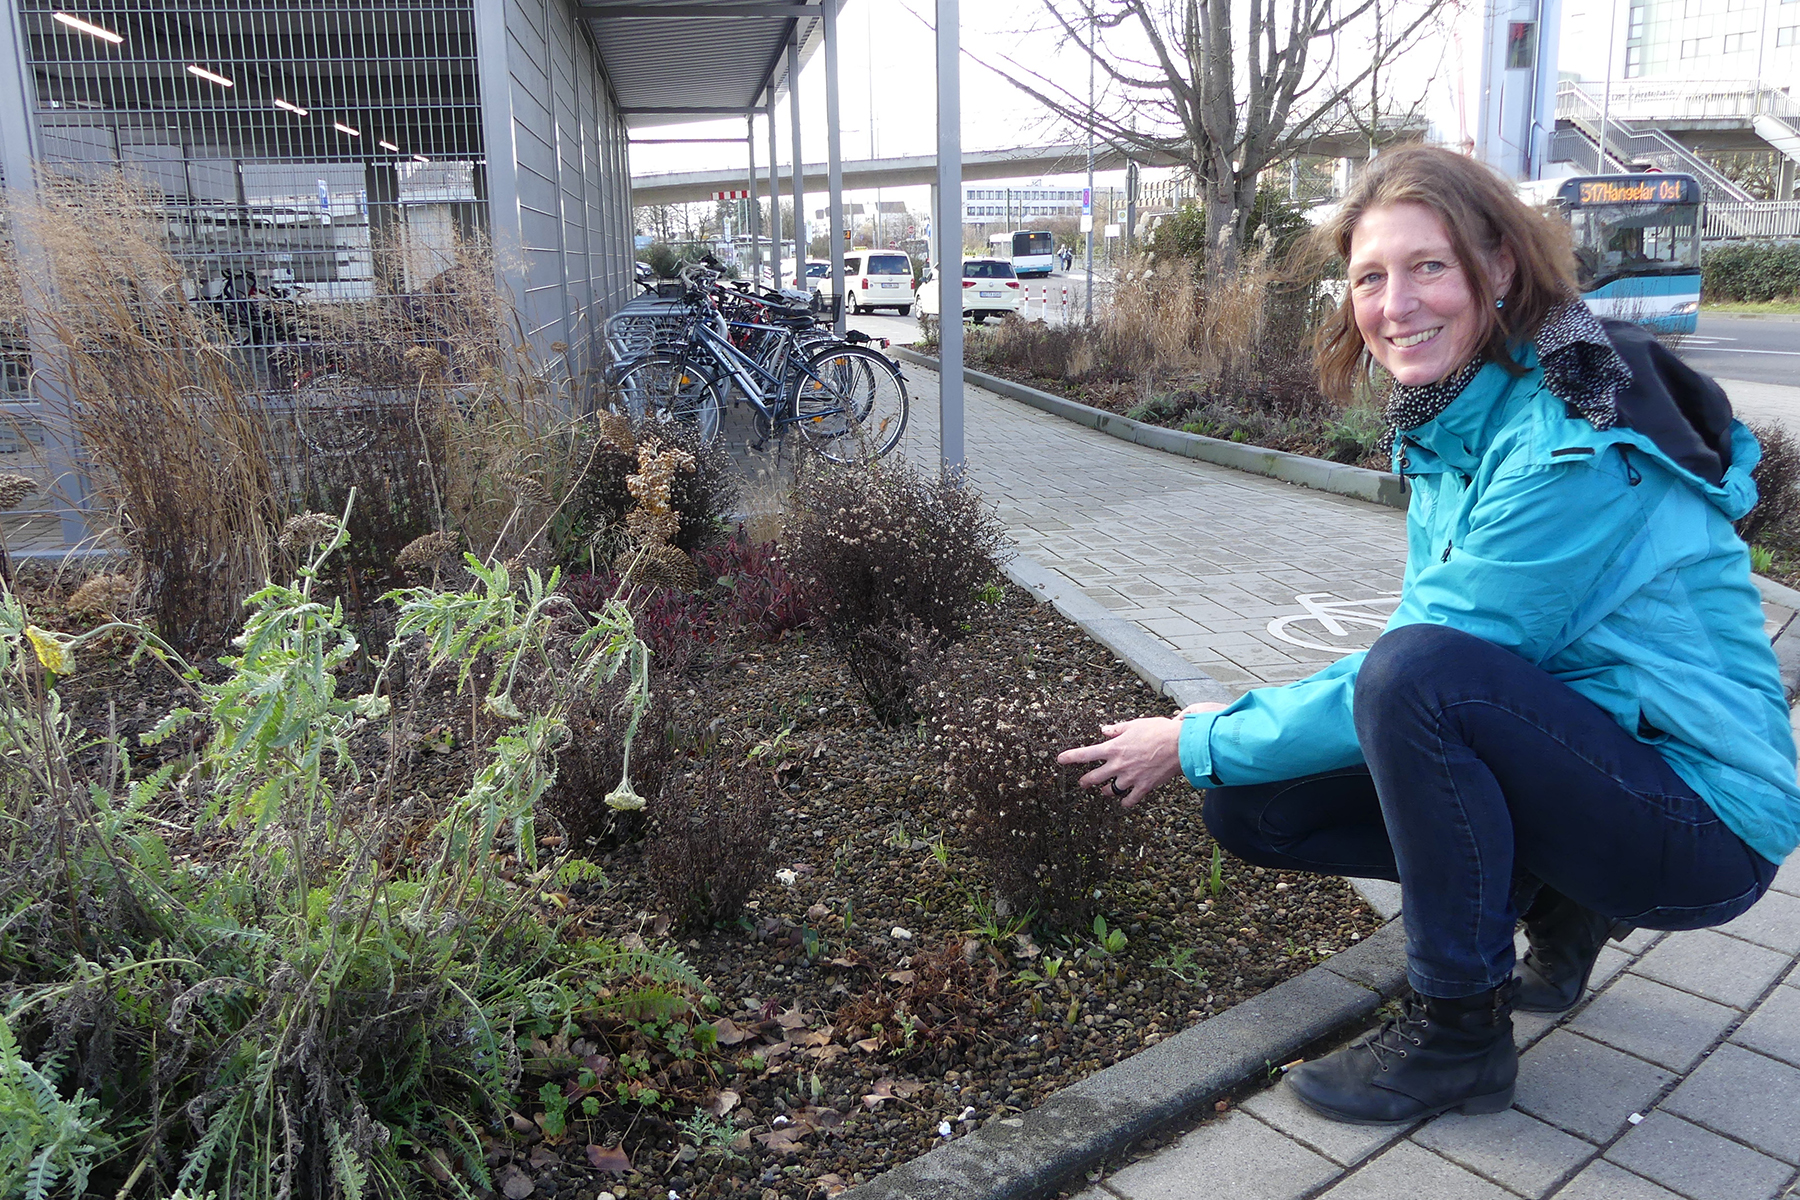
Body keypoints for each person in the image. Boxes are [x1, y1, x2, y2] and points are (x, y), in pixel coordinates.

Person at [1057, 146, 1798, 1127]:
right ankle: (1562, 904)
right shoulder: (1456, 420)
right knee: (1254, 806)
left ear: (1497, 268)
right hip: (1607, 759)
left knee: (1414, 678)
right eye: (1370, 276)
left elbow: (1427, 666)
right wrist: (1228, 750)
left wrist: (1193, 735)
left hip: (1705, 823)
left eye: (1428, 267)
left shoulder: (1569, 440)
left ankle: (1459, 1035)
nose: (1395, 303)